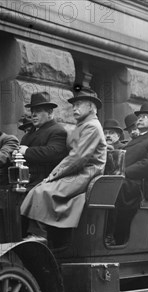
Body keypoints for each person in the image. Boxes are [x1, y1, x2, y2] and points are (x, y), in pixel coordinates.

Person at [21, 88, 107, 248]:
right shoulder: (81, 126)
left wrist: (54, 174)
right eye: (73, 106)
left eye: (79, 105)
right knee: (38, 189)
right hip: (77, 171)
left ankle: (40, 236)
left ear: (91, 107)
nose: (74, 109)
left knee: (43, 190)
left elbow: (78, 157)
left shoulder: (92, 127)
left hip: (87, 173)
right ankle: (47, 236)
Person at [107, 102, 148, 245]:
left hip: (144, 184)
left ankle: (112, 235)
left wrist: (123, 173)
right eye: (139, 116)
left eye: (145, 117)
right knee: (101, 183)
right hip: (128, 180)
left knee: (115, 187)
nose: (140, 119)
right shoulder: (131, 142)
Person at [18, 92, 68, 185]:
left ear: (49, 113)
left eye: (38, 111)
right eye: (32, 111)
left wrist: (27, 151)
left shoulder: (57, 131)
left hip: (45, 181)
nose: (33, 114)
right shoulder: (28, 134)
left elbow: (53, 153)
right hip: (24, 180)